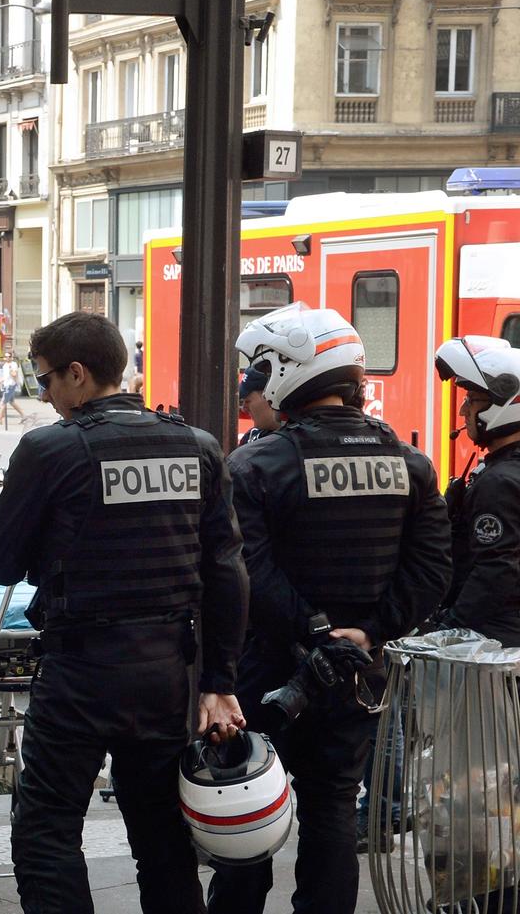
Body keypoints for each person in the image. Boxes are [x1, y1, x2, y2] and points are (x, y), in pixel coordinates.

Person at [0, 312, 248, 914]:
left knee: (46, 831)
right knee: (161, 835)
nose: (44, 395)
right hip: (165, 676)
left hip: (80, 673)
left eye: (45, 380)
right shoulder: (197, 446)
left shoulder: (51, 450)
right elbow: (227, 571)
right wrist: (219, 682)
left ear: (78, 374)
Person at [212, 304, 451, 914]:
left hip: (265, 672)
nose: (254, 385)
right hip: (357, 677)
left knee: (245, 816)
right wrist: (365, 634)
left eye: (262, 371)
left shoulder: (257, 464)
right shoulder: (412, 466)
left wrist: (311, 630)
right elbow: (430, 574)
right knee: (334, 813)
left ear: (292, 371)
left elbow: (247, 574)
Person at [433, 336, 520, 647]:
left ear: (503, 403)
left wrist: (447, 628)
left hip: (495, 642)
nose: (463, 411)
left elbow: (495, 570)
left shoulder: (499, 483)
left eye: (471, 399)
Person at [238, 365, 282, 445]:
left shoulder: (303, 441)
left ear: (270, 396)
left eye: (248, 401)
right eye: (242, 402)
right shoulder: (251, 437)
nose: (244, 409)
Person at [0, 350, 25, 425]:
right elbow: (3, 377)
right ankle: (24, 416)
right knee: (12, 402)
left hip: (11, 385)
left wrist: (11, 369)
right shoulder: (5, 366)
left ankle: (0, 419)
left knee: (3, 402)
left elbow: (14, 374)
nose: (7, 358)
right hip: (6, 385)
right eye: (6, 357)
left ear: (12, 357)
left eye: (9, 357)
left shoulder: (13, 364)